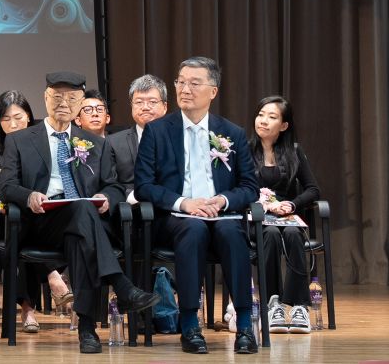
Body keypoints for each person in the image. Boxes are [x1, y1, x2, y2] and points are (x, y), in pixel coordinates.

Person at [0, 71, 158, 354]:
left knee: (80, 230)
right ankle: (121, 285)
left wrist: (107, 197)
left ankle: (87, 330)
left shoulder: (97, 143)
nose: (64, 103)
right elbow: (6, 186)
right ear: (45, 98)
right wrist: (29, 195)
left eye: (72, 98)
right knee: (83, 216)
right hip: (41, 222)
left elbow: (114, 185)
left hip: (83, 223)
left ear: (81, 103)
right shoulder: (20, 140)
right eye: (57, 97)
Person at [134, 57, 260, 355]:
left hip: (221, 215)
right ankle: (190, 325)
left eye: (194, 83)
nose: (185, 89)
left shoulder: (231, 132)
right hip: (175, 218)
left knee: (232, 232)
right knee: (193, 230)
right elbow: (143, 185)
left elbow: (249, 187)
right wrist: (184, 203)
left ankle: (245, 325)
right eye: (180, 82)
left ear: (213, 91)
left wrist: (223, 199)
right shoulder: (157, 131)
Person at [0, 90, 70, 333]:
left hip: (38, 216)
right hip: (3, 217)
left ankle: (28, 309)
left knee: (22, 231)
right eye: (6, 119)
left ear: (29, 116)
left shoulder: (42, 144)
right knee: (17, 225)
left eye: (18, 117)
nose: (13, 124)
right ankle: (50, 277)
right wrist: (12, 197)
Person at [249, 95, 320, 335]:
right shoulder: (245, 151)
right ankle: (273, 304)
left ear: (284, 125)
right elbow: (238, 188)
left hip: (287, 218)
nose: (263, 121)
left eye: (272, 117)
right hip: (257, 218)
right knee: (269, 234)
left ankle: (299, 306)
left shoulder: (294, 152)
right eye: (260, 115)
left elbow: (313, 189)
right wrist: (264, 204)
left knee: (292, 233)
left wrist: (291, 204)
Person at [107, 75, 168, 204]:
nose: (145, 107)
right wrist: (135, 197)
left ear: (164, 107)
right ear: (131, 106)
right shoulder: (113, 143)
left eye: (152, 102)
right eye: (139, 102)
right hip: (134, 208)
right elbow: (111, 184)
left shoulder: (179, 138)